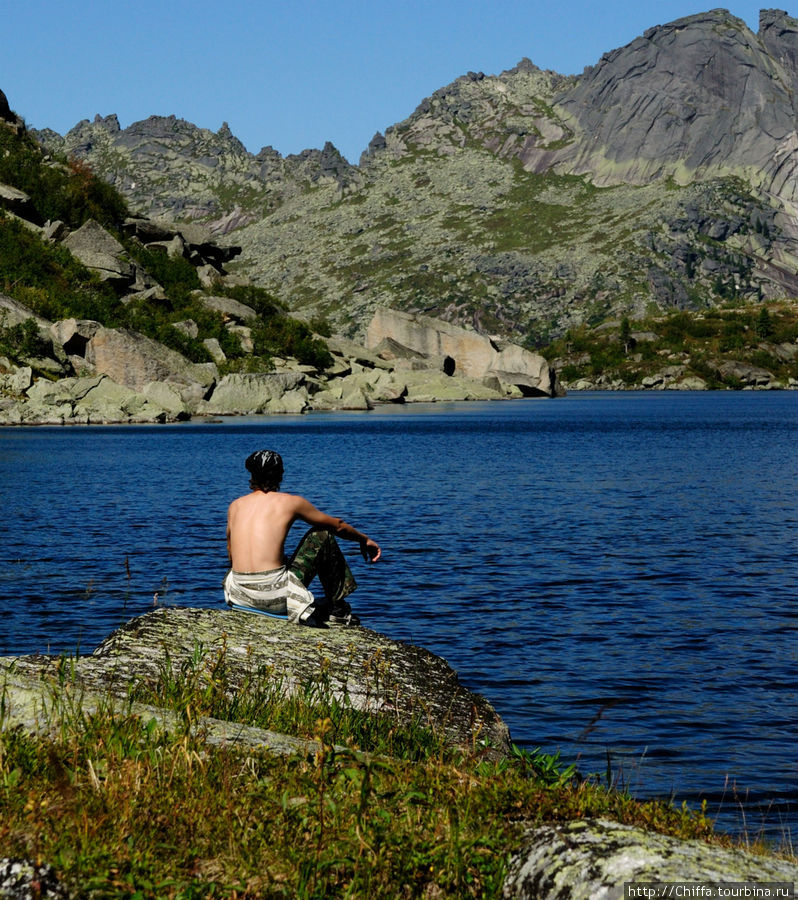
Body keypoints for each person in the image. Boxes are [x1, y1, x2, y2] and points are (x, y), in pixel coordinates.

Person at [224, 449, 381, 626]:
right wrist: (364, 539)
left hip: (239, 596)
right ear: (280, 474)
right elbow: (337, 526)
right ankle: (338, 610)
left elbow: (231, 555)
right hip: (275, 598)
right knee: (322, 535)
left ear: (251, 474)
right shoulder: (291, 502)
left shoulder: (235, 506)